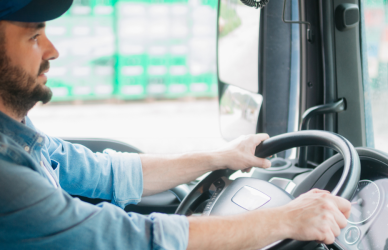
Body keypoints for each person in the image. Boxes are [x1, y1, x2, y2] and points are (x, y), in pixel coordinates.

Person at [0, 1, 351, 249]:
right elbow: (130, 239)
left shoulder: (19, 137)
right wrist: (285, 220)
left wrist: (221, 157)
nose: (52, 51)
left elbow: (105, 171)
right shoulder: (7, 175)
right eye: (34, 37)